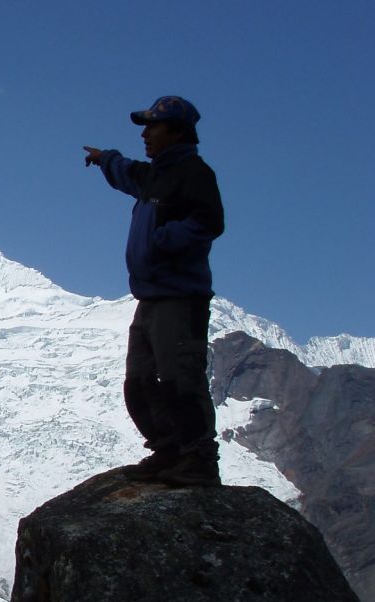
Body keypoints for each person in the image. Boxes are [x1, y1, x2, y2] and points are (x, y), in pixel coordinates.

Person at [83, 96, 224, 487]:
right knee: (141, 380)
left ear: (176, 131)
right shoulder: (157, 176)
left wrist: (164, 239)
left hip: (179, 296)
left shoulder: (193, 173)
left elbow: (209, 221)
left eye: (152, 127)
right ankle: (168, 450)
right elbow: (128, 172)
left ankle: (197, 459)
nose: (145, 134)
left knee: (179, 377)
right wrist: (104, 158)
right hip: (151, 297)